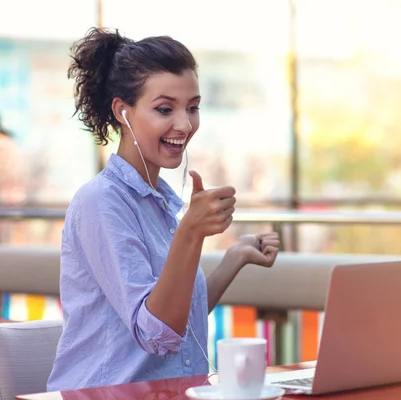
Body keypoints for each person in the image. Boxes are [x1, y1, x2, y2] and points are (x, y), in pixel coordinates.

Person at [47, 27, 280, 391]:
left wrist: (234, 257)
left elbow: (175, 317)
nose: (185, 125)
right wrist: (191, 230)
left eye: (192, 107)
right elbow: (156, 334)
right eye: (164, 109)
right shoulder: (101, 203)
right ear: (122, 113)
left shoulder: (160, 203)